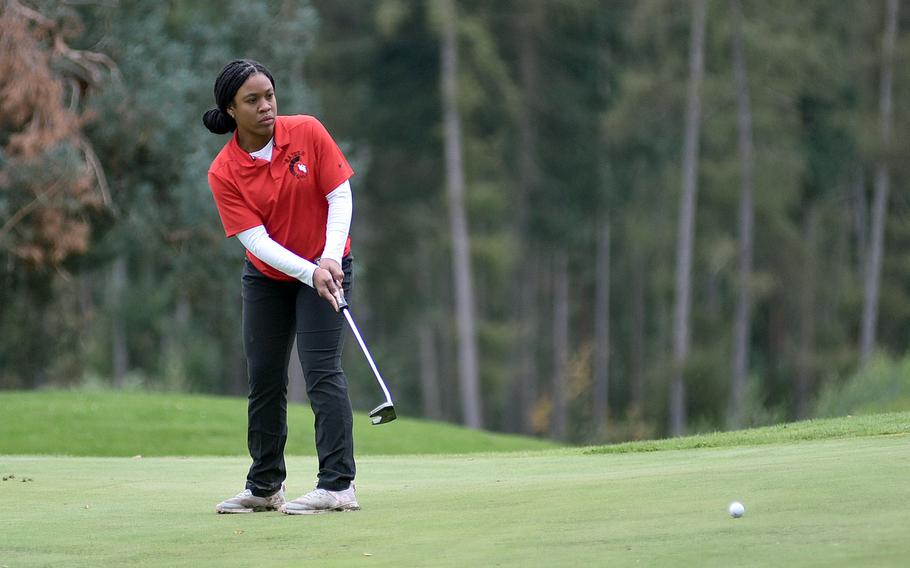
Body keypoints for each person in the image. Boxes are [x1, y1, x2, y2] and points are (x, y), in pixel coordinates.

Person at [202, 59, 359, 515]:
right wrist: (308, 272)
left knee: (321, 372)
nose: (266, 106)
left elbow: (339, 194)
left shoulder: (307, 131)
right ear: (231, 109)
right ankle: (265, 485)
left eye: (269, 95)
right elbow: (256, 242)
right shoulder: (224, 171)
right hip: (269, 279)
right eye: (252, 100)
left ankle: (337, 486)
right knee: (265, 379)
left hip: (327, 266)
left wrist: (329, 259)